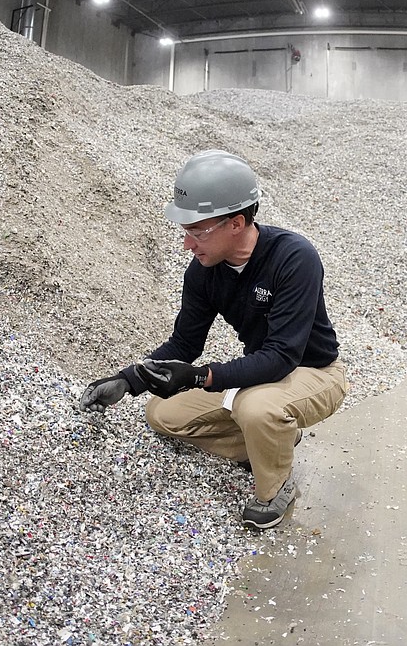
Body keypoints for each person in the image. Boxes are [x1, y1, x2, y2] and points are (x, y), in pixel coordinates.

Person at [80, 149, 348, 529]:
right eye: (185, 231)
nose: (187, 244)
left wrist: (199, 377)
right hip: (266, 374)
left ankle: (275, 486)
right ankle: (271, 441)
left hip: (315, 373)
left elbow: (282, 355)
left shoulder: (294, 258)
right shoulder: (204, 271)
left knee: (256, 408)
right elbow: (185, 343)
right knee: (162, 414)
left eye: (197, 231)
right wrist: (128, 379)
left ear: (236, 223)